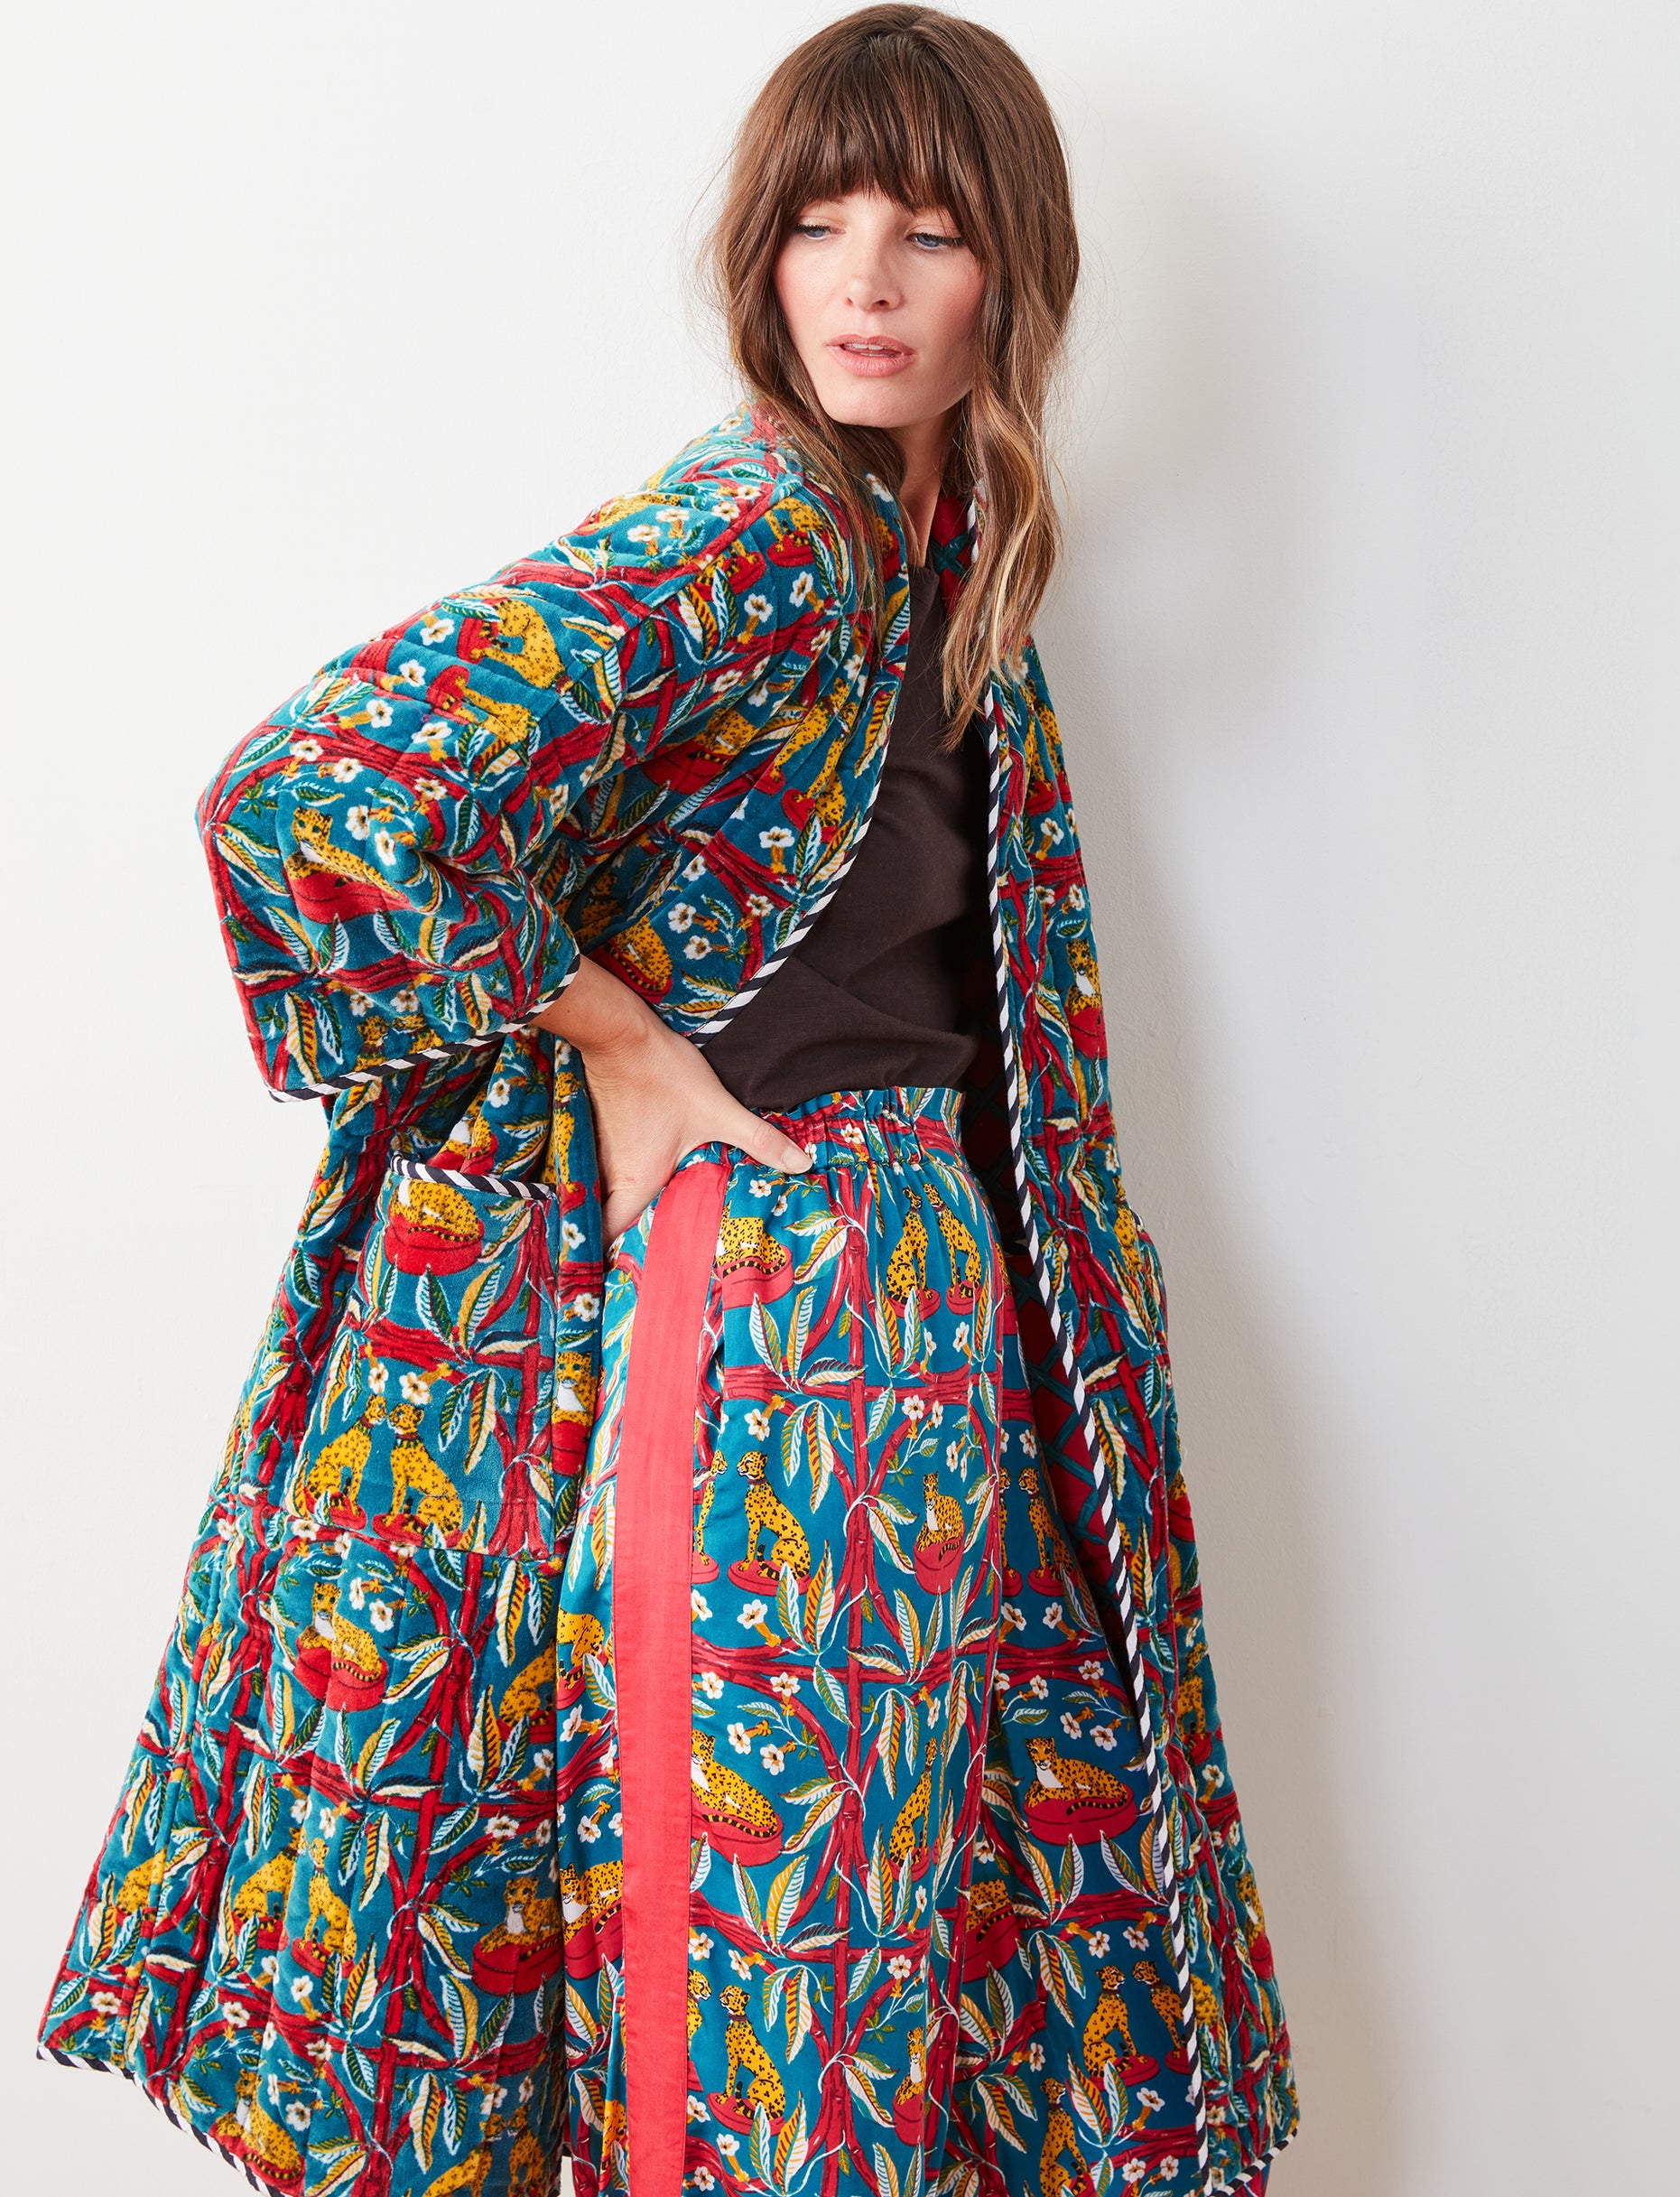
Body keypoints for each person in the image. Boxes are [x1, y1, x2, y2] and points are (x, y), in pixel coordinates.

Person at [37, 10, 1295, 2194]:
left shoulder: (948, 566)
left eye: (929, 229)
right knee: (746, 1947)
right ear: (759, 256)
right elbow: (319, 785)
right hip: (775, 1291)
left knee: (890, 1959)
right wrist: (622, 1042)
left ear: (1013, 271)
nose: (866, 281)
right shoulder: (762, 530)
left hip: (917, 1310)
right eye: (820, 224)